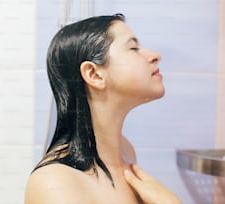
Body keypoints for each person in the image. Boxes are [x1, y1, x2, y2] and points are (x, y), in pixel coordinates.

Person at [25, 14, 181, 204]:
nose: (155, 55)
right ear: (94, 74)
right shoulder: (55, 182)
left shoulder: (126, 151)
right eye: (133, 48)